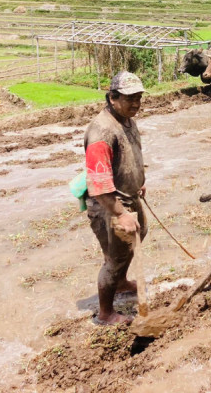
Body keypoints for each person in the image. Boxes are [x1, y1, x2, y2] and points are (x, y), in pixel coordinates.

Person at [84, 71, 148, 325]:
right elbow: (98, 186)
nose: (136, 104)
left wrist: (139, 181)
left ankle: (121, 282)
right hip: (109, 206)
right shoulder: (101, 132)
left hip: (129, 197)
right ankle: (105, 313)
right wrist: (121, 214)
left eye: (139, 98)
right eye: (130, 98)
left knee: (137, 238)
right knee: (115, 258)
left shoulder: (127, 120)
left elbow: (129, 155)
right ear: (112, 97)